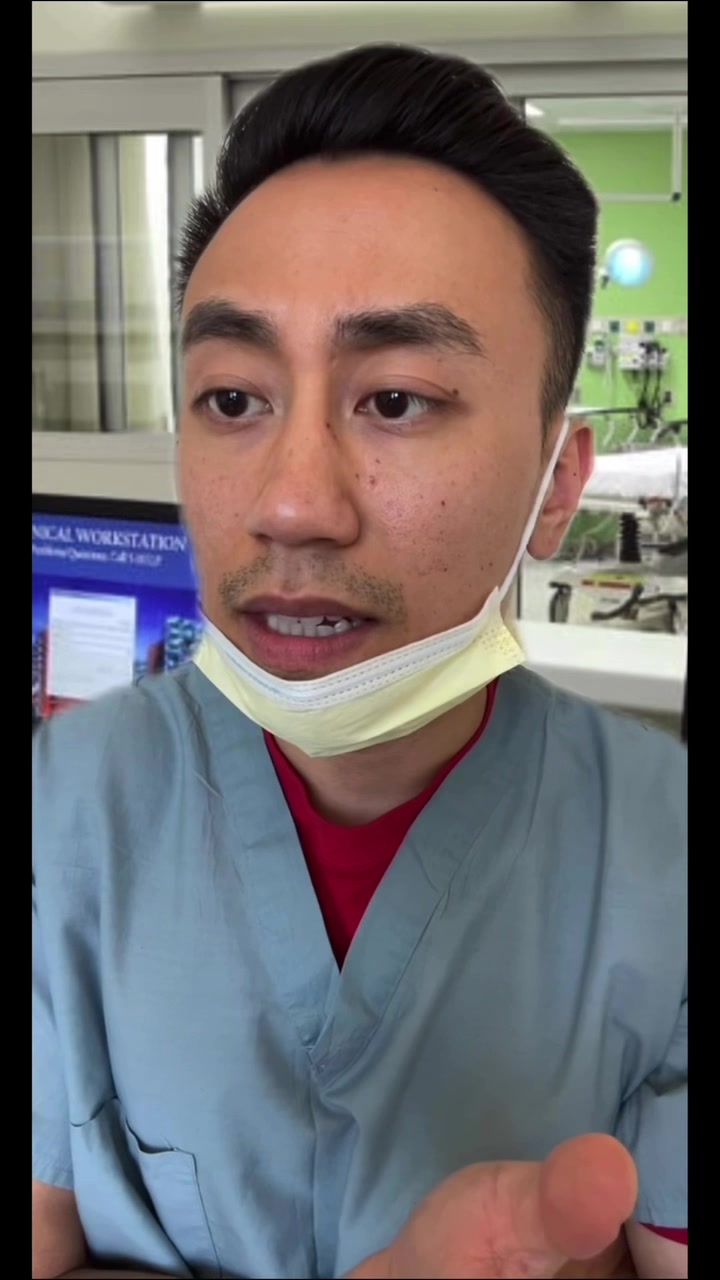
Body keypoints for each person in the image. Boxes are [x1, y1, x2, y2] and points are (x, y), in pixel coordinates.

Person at [32, 44, 687, 1280]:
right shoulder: (65, 808)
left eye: (395, 400)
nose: (292, 504)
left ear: (558, 484)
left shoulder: (662, 854)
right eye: (235, 399)